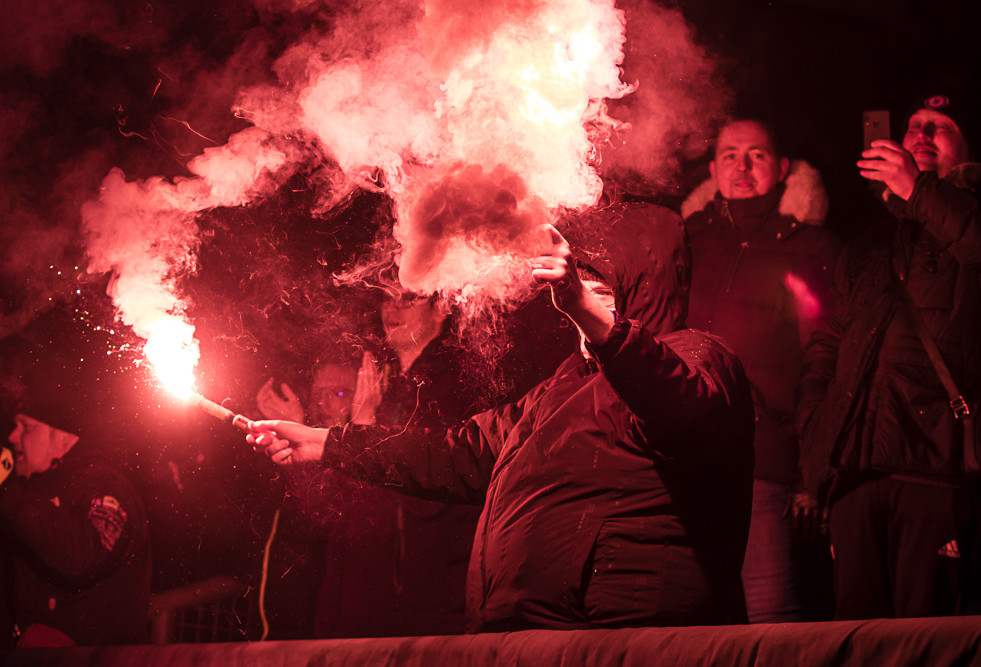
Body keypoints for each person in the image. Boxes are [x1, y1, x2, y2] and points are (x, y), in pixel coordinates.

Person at [247, 204, 756, 631]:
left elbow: (683, 415)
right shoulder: (559, 388)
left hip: (625, 643)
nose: (574, 303)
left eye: (595, 286)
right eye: (575, 286)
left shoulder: (700, 357)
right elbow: (453, 455)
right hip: (534, 643)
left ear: (638, 287)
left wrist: (597, 320)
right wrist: (329, 443)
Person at [798, 90, 981, 619]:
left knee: (929, 641)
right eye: (914, 126)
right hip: (856, 473)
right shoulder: (871, 242)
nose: (921, 136)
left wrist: (916, 189)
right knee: (857, 640)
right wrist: (817, 436)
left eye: (939, 128)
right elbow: (826, 345)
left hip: (938, 470)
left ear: (967, 149)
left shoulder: (971, 220)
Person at [681, 118, 839, 622]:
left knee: (771, 613)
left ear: (783, 167)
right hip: (681, 456)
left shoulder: (809, 248)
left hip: (762, 459)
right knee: (687, 621)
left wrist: (808, 465)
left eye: (757, 154)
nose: (742, 166)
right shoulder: (685, 241)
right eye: (730, 154)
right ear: (712, 168)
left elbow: (825, 354)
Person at [0, 340, 151, 647]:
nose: (13, 438)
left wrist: (7, 491)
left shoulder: (106, 486)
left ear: (64, 438)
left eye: (27, 428)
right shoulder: (29, 489)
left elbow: (80, 557)